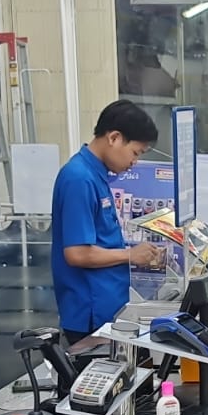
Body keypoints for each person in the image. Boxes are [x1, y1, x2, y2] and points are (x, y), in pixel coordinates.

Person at [51, 100, 162, 344]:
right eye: (135, 153)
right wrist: (130, 255)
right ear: (114, 138)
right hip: (90, 312)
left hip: (108, 304)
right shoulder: (79, 179)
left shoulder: (96, 174)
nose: (134, 162)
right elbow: (77, 254)